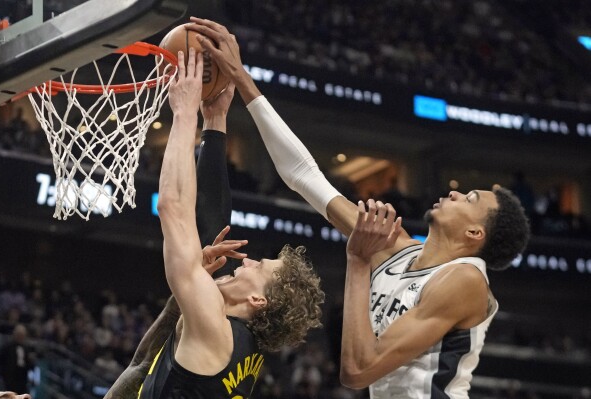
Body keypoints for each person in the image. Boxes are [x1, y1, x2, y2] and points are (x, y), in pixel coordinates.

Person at [186, 17, 530, 398]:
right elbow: (305, 176)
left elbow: (357, 370)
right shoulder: (393, 247)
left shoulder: (466, 279)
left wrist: (358, 261)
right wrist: (243, 80)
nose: (455, 194)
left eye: (470, 199)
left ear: (474, 234)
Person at [104, 48, 324, 399]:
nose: (248, 260)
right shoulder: (243, 352)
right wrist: (215, 120)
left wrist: (184, 112)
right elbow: (143, 365)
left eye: (260, 266)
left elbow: (173, 207)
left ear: (257, 299)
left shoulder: (214, 329)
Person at [0, 324, 35, 395]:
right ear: (15, 334)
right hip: (9, 379)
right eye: (19, 335)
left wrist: (31, 361)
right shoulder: (7, 347)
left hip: (22, 380)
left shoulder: (27, 349)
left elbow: (30, 365)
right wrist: (0, 374)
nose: (21, 337)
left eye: (22, 335)